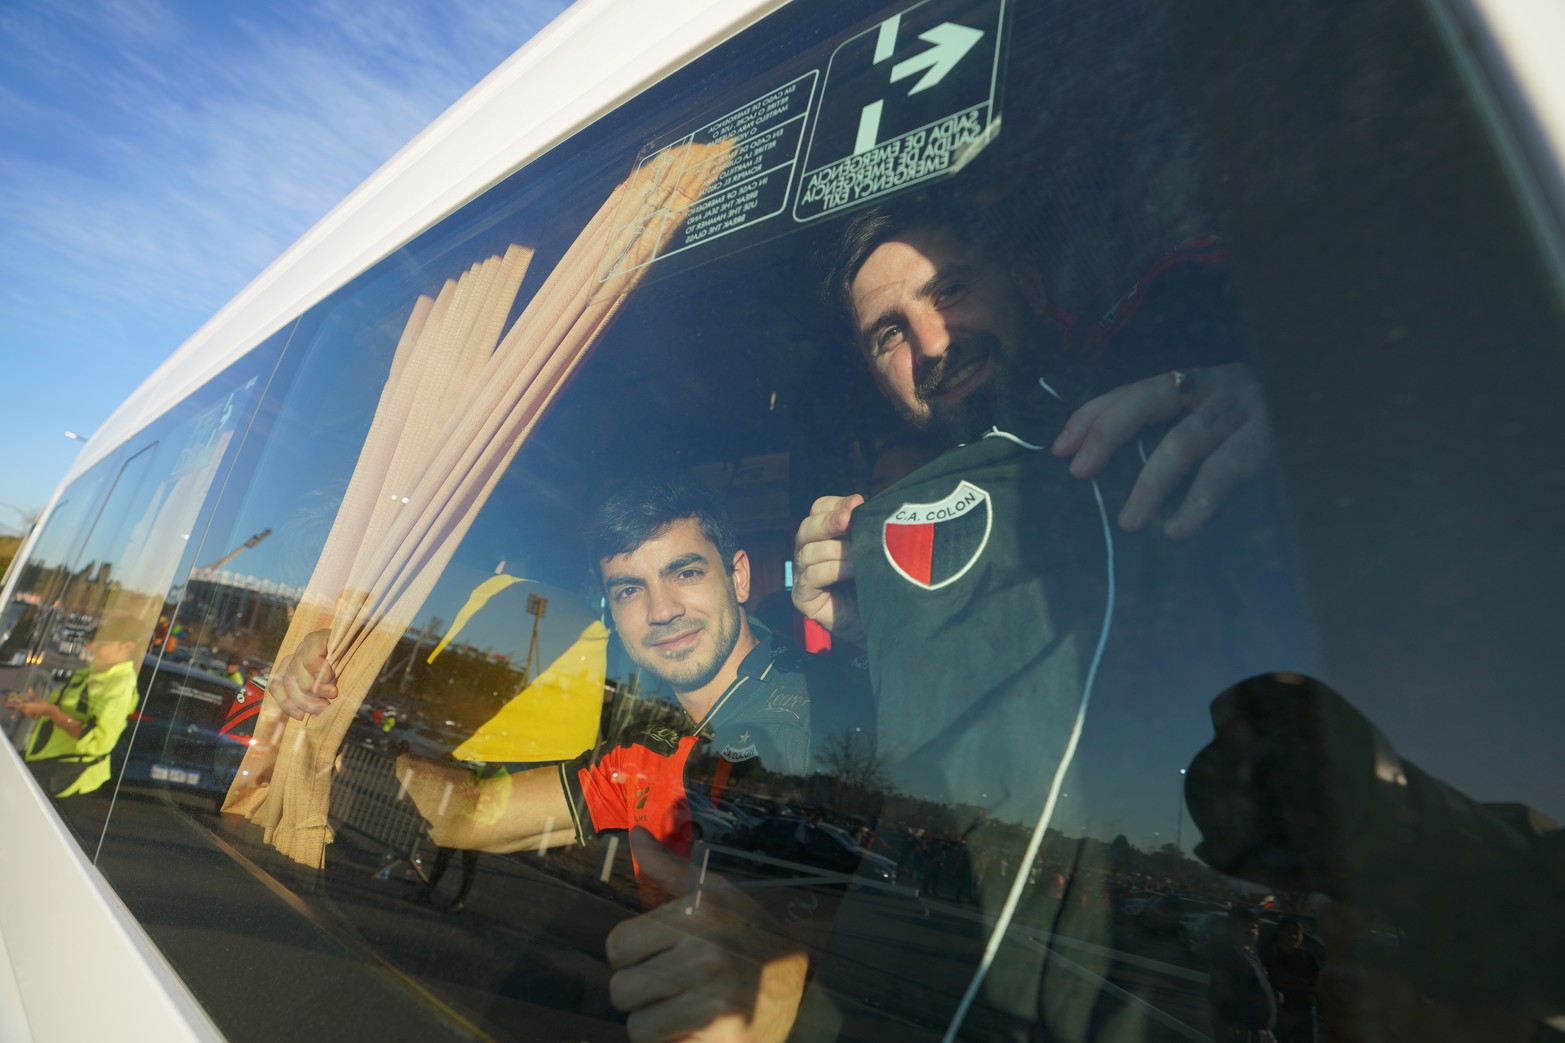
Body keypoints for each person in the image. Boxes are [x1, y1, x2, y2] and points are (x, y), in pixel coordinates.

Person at [790, 196, 1313, 1036]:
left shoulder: (1170, 413)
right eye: (888, 333)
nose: (932, 343)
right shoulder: (895, 523)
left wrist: (1279, 404)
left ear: (1025, 283)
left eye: (949, 289)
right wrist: (868, 636)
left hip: (1173, 961)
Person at [268, 475, 868, 1042]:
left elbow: (904, 929)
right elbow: (470, 815)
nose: (660, 611)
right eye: (630, 589)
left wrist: (796, 979)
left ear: (738, 576)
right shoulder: (647, 750)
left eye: (685, 572)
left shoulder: (838, 706)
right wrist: (355, 683)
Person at [9, 612, 143, 798]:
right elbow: (67, 710)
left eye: (101, 643)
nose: (89, 646)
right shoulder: (93, 672)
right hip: (47, 765)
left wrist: (50, 712)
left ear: (127, 646)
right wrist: (39, 706)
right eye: (92, 640)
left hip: (69, 778)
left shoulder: (120, 685)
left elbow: (98, 742)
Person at [1209, 908, 1280, 1042]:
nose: (1251, 931)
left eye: (1254, 927)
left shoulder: (1251, 954)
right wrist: (1229, 1023)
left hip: (1261, 1029)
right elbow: (1221, 991)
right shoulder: (1228, 955)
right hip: (1242, 1028)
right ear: (1232, 928)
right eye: (1245, 926)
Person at [1262, 917, 1322, 1043]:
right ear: (1280, 932)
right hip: (1280, 1012)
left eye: (1297, 933)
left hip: (1305, 1010)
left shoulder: (1308, 957)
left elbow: (1318, 984)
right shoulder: (1268, 954)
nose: (1293, 937)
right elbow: (1264, 981)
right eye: (1289, 932)